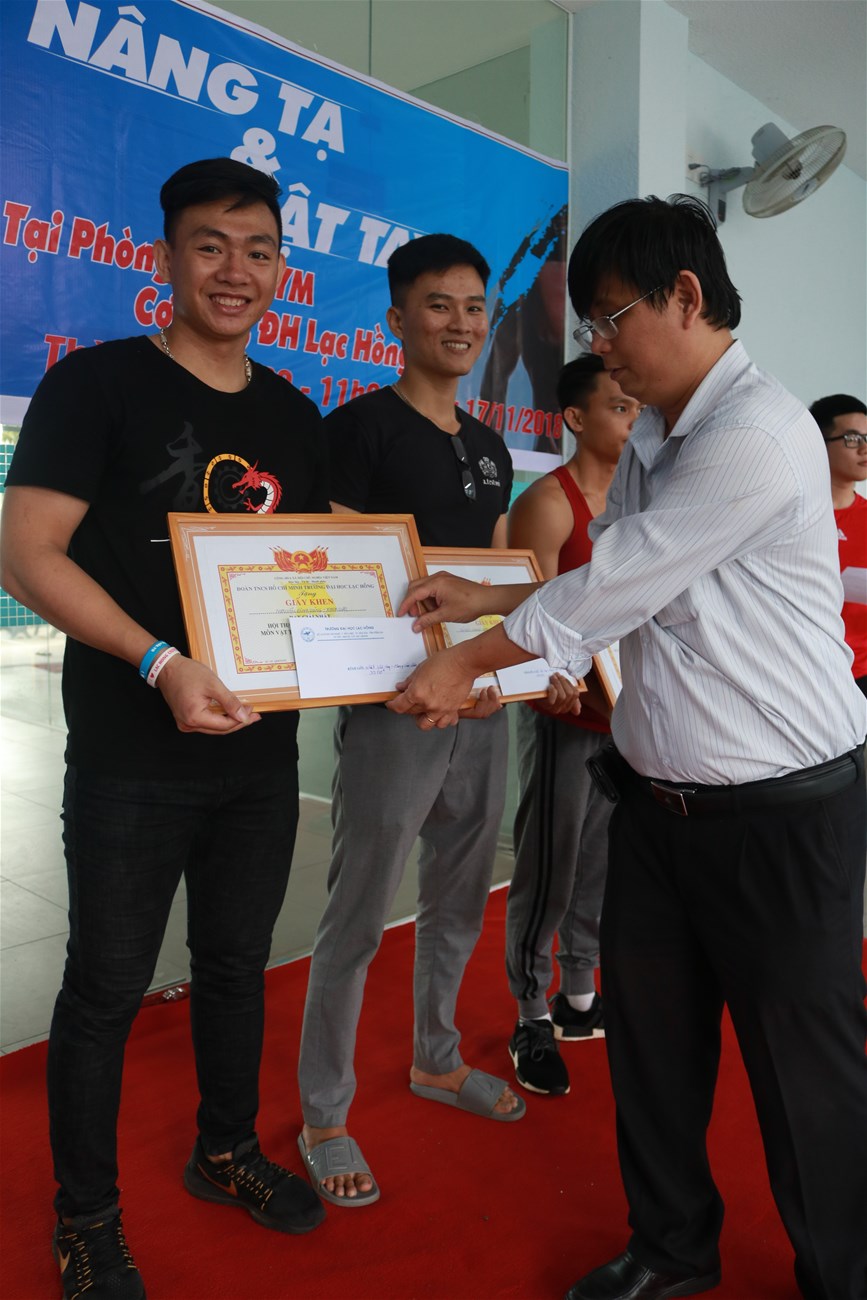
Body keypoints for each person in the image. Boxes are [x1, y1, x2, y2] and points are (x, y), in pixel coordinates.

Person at [388, 197, 867, 1300]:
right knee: (653, 1049)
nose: (600, 347)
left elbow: (617, 581)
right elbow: (617, 567)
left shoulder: (757, 434)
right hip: (656, 807)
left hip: (782, 815)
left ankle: (843, 1273)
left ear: (684, 298)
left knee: (806, 1070)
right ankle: (670, 1249)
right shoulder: (657, 431)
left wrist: (466, 664)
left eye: (609, 320)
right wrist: (485, 596)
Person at [0, 158, 330, 1300]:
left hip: (260, 753)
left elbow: (313, 568)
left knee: (236, 967)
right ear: (164, 260)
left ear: (281, 269)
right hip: (131, 756)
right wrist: (160, 661)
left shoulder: (294, 414)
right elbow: (27, 555)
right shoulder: (95, 385)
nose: (235, 270)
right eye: (209, 245)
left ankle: (224, 1149)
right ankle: (86, 1218)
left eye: (258, 250)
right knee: (106, 988)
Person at [295, 232, 534, 1210]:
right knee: (357, 913)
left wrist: (497, 670)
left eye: (475, 306)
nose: (461, 322)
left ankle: (436, 1056)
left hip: (479, 701)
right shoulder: (357, 430)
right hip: (395, 704)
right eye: (439, 304)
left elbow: (499, 572)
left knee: (460, 895)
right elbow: (331, 573)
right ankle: (324, 1114)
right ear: (397, 319)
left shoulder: (490, 447)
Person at [506, 356, 640, 1097]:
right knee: (550, 868)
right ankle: (529, 1014)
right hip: (566, 715)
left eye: (637, 406)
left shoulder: (640, 500)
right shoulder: (550, 503)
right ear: (576, 418)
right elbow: (521, 616)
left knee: (602, 865)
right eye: (619, 407)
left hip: (628, 716)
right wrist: (546, 680)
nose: (634, 418)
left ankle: (579, 997)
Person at [810, 394, 867, 697]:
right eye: (852, 438)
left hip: (861, 672)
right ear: (820, 443)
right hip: (807, 669)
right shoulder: (796, 516)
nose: (864, 447)